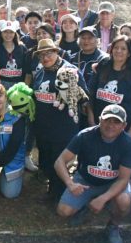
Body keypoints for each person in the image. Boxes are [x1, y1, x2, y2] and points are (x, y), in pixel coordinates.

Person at [55, 104, 131, 243]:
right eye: (107, 120)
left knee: (124, 202)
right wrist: (70, 183)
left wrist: (103, 198)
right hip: (86, 180)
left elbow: (124, 178)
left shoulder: (128, 143)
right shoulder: (85, 135)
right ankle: (85, 206)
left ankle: (113, 226)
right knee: (63, 211)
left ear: (124, 125)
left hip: (113, 183)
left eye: (116, 122)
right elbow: (60, 161)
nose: (111, 125)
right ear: (100, 120)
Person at [32, 39, 90, 199]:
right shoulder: (40, 73)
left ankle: (58, 195)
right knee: (47, 161)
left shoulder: (69, 71)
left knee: (60, 162)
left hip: (63, 128)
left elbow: (84, 97)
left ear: (56, 52)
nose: (45, 58)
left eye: (48, 53)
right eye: (41, 55)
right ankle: (53, 188)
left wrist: (73, 90)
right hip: (43, 127)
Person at [89, 36, 131, 141]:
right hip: (97, 126)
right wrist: (91, 120)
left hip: (122, 130)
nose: (119, 51)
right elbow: (91, 95)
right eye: (116, 47)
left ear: (129, 53)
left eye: (123, 49)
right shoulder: (102, 66)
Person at [0, 20, 28, 90]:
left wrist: (24, 88)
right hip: (2, 87)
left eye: (11, 32)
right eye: (5, 32)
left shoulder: (22, 49)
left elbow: (27, 71)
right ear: (1, 33)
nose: (8, 35)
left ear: (15, 33)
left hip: (19, 87)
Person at [71, 26, 107, 90]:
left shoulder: (104, 59)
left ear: (97, 40)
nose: (86, 41)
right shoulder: (72, 58)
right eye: (83, 38)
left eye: (90, 38)